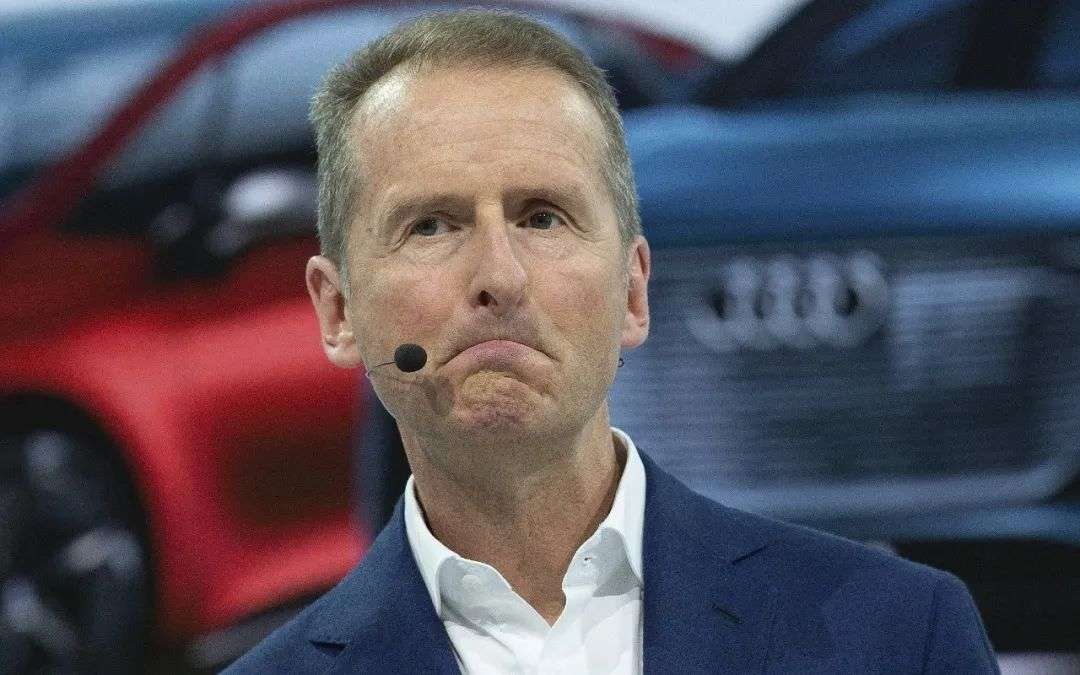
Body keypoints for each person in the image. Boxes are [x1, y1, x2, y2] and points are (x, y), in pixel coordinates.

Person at [227, 10, 998, 674]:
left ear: (632, 290)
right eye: (430, 225)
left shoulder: (900, 636)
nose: (500, 277)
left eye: (542, 217)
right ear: (338, 312)